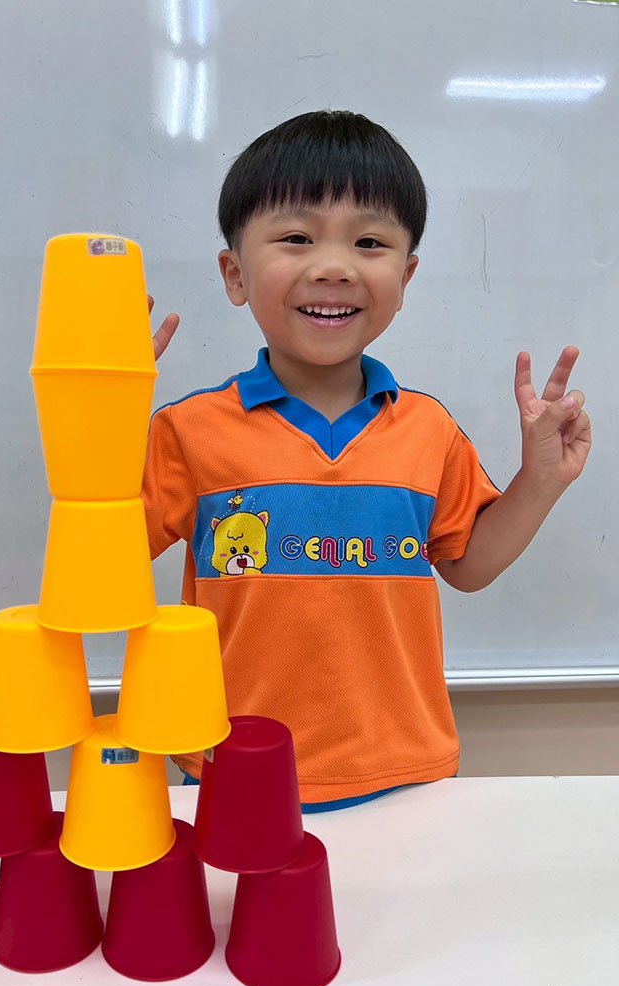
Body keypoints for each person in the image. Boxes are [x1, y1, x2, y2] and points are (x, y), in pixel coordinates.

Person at [142, 110, 591, 812]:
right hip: (233, 771)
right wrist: (99, 417)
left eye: (370, 242)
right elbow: (102, 563)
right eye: (296, 237)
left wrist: (540, 479)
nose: (334, 266)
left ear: (405, 277)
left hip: (405, 773)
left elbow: (468, 567)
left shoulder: (428, 430)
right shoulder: (188, 430)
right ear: (234, 274)